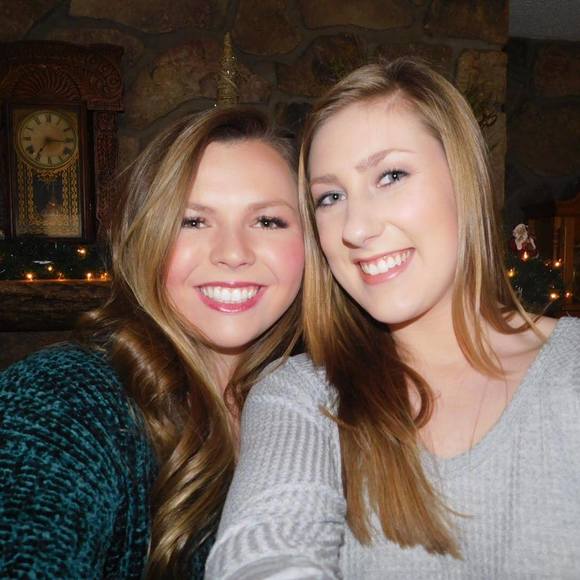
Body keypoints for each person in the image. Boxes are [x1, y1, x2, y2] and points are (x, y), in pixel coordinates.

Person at [206, 58, 580, 579]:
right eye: (330, 197)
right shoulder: (302, 397)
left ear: (465, 180)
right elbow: (263, 552)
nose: (356, 228)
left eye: (391, 176)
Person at [0, 106, 304, 579]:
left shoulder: (315, 399)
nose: (232, 253)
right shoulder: (65, 394)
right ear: (146, 239)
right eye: (192, 221)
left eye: (267, 221)